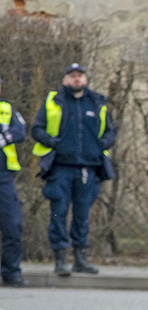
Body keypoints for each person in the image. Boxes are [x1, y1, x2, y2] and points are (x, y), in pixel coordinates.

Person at [31, 62, 116, 276]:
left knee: (82, 214)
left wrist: (100, 145)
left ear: (85, 79)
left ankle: (80, 258)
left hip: (89, 168)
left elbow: (111, 132)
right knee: (59, 212)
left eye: (80, 75)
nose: (76, 79)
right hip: (60, 167)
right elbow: (37, 129)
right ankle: (60, 259)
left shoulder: (97, 102)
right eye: (72, 75)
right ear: (65, 79)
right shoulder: (54, 101)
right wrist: (54, 143)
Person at [0, 72, 28, 287]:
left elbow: (21, 130)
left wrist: (5, 137)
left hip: (3, 177)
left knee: (13, 224)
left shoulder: (7, 109)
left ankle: (11, 272)